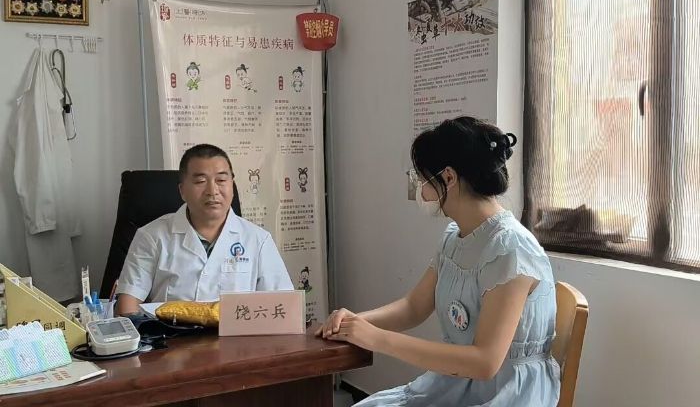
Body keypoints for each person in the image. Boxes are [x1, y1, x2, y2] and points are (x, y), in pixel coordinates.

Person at [317, 117, 560, 406]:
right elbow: (414, 306)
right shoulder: (455, 237)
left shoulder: (510, 249)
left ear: (448, 178)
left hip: (506, 392)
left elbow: (485, 362)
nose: (421, 191)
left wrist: (377, 339)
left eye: (422, 180)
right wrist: (355, 322)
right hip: (461, 383)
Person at [115, 144, 293, 315]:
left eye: (221, 180)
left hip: (238, 336)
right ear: (182, 191)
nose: (212, 191)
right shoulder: (152, 236)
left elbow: (283, 306)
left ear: (232, 186)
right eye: (200, 181)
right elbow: (127, 306)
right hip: (169, 335)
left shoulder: (258, 240)